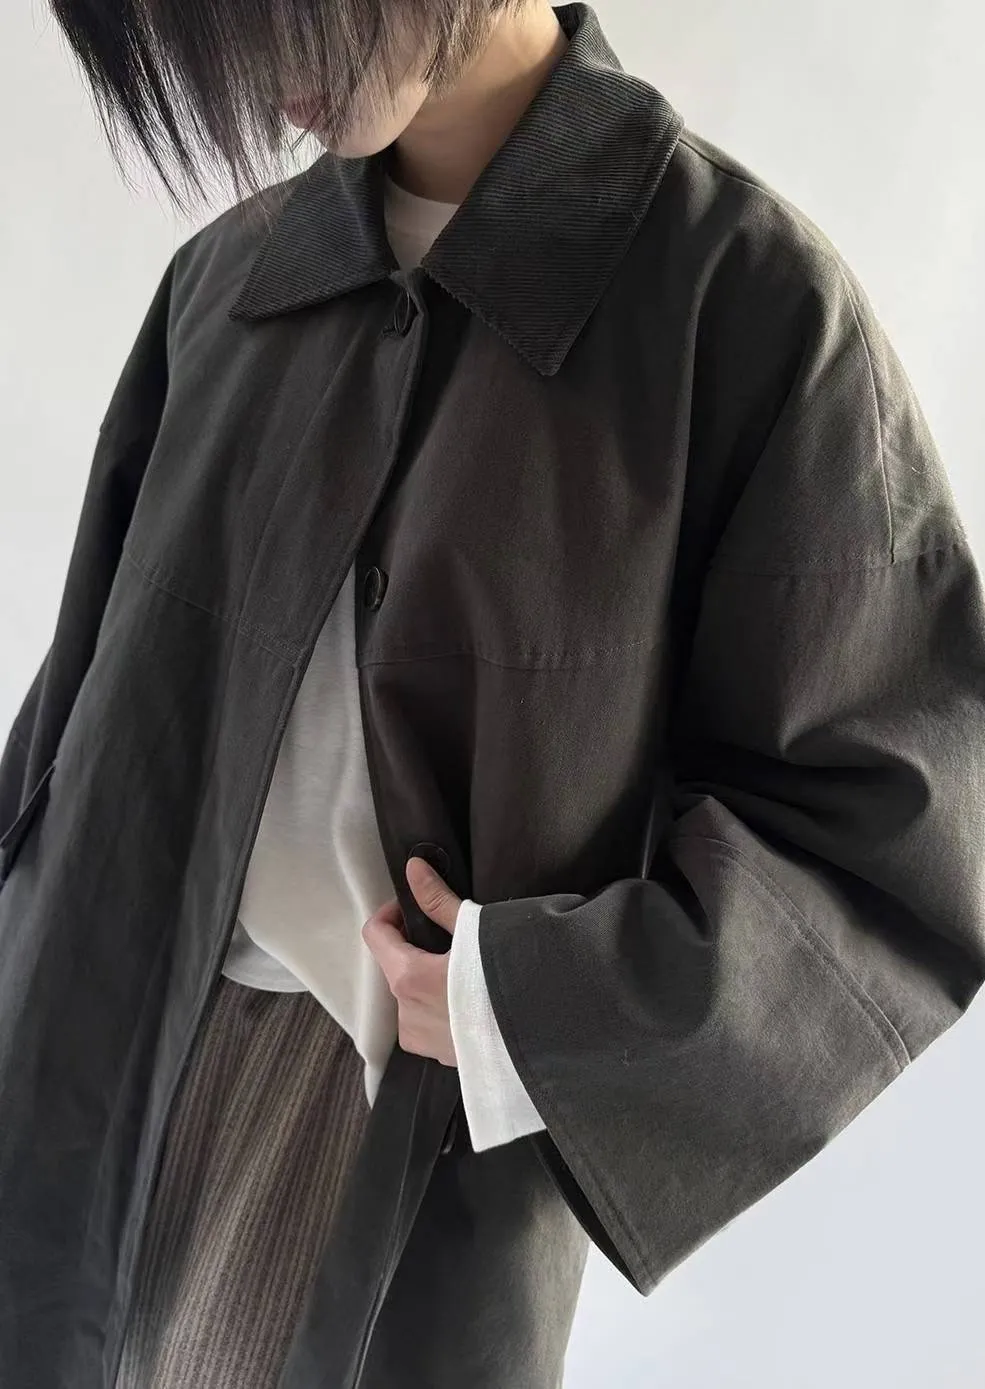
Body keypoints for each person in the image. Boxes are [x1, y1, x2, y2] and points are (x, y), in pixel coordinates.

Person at [3, 1, 985, 1386]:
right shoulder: (223, 287)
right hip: (78, 1081)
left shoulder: (743, 305)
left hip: (373, 1134)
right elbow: (71, 732)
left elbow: (894, 838)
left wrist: (534, 1003)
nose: (246, 80)